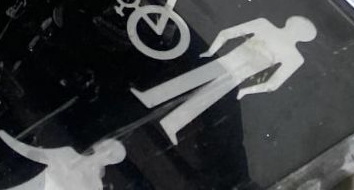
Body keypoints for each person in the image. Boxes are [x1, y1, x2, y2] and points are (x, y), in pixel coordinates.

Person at [131, 14, 318, 144]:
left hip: (235, 75)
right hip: (227, 65)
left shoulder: (293, 56)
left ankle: (168, 121)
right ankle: (152, 102)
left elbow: (274, 84)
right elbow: (228, 33)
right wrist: (211, 51)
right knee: (192, 86)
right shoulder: (266, 27)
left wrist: (246, 89)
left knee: (201, 98)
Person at [1, 133, 126, 188]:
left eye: (110, 155)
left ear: (111, 161)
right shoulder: (67, 153)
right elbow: (32, 153)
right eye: (104, 147)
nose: (103, 153)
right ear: (98, 144)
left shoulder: (94, 185)